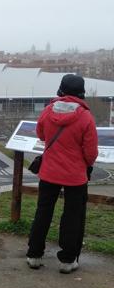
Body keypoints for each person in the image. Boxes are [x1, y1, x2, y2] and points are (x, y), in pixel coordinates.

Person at [26, 74, 98, 274]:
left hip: (49, 172)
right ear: (81, 92)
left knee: (43, 212)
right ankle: (67, 260)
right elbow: (90, 152)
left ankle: (34, 255)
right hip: (75, 176)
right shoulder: (85, 117)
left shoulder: (48, 111)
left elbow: (41, 134)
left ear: (61, 90)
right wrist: (86, 164)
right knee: (72, 216)